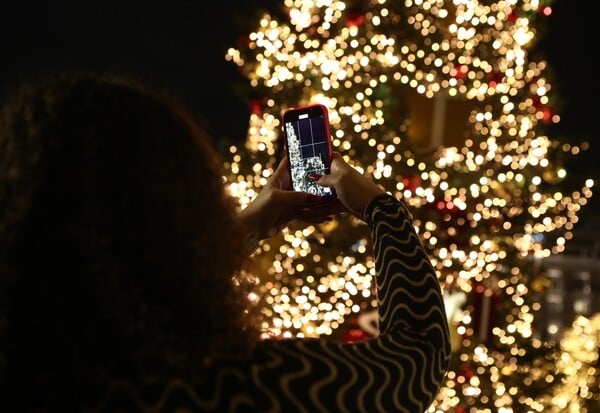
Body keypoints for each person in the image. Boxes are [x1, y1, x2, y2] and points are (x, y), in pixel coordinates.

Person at [0, 72, 451, 412]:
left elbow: (134, 280)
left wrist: (249, 225)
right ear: (189, 210)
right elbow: (418, 353)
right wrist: (380, 209)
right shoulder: (235, 385)